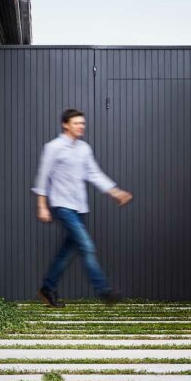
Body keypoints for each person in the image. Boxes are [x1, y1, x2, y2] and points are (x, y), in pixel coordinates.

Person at [32, 108, 132, 307]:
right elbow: (43, 177)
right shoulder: (53, 147)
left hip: (80, 208)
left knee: (67, 252)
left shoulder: (84, 148)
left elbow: (94, 174)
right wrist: (42, 205)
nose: (81, 126)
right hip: (63, 206)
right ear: (65, 125)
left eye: (82, 123)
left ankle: (47, 288)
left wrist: (115, 191)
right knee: (86, 246)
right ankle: (104, 291)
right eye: (77, 123)